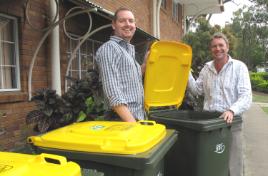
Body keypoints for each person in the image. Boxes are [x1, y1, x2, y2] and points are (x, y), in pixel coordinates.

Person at [187, 32, 252, 176]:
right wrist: (186, 70)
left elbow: (246, 96)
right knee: (212, 163)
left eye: (221, 45)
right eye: (214, 46)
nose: (218, 49)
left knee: (234, 165)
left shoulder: (239, 67)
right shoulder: (206, 68)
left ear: (227, 47)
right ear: (211, 49)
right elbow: (197, 89)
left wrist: (231, 110)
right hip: (210, 124)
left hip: (231, 124)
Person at [95, 7, 145, 122]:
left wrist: (146, 64)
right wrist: (133, 124)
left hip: (136, 118)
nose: (128, 24)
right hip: (122, 121)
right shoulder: (109, 49)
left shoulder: (127, 50)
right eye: (122, 21)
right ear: (114, 25)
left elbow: (132, 78)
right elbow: (112, 92)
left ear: (135, 26)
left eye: (131, 21)